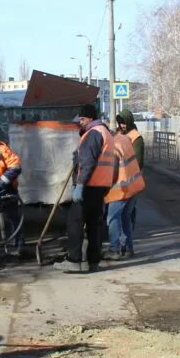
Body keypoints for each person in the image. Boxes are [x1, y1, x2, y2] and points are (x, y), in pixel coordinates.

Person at [60, 103, 116, 273]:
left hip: (89, 186)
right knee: (94, 225)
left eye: (82, 118)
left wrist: (80, 185)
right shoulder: (105, 132)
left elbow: (88, 162)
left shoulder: (93, 133)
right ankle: (94, 261)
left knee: (75, 222)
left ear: (90, 117)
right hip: (100, 186)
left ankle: (74, 260)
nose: (80, 121)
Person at [106, 109, 146, 259]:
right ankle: (128, 248)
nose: (122, 125)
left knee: (114, 216)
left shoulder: (135, 138)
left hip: (126, 184)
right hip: (130, 183)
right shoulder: (121, 136)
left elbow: (137, 162)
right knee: (124, 217)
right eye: (120, 122)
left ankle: (115, 248)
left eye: (124, 122)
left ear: (129, 121)